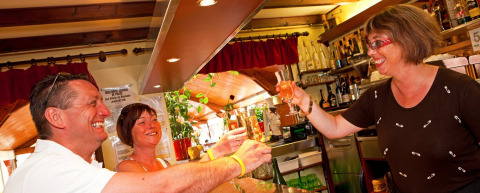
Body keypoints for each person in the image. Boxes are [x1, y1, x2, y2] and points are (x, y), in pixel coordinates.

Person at [278, 4, 480, 193]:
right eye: (369, 44)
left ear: (408, 40)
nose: (369, 52)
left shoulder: (459, 89)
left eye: (377, 43)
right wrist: (304, 101)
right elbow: (335, 128)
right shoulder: (377, 97)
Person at [4, 73, 271, 193]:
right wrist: (238, 162)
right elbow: (164, 187)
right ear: (56, 117)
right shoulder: (54, 170)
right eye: (92, 103)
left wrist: (217, 152)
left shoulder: (69, 167)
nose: (106, 112)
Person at [115, 102, 248, 172]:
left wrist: (217, 150)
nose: (152, 125)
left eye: (154, 119)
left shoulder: (163, 163)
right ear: (128, 132)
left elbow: (185, 177)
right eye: (142, 122)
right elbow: (168, 185)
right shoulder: (126, 167)